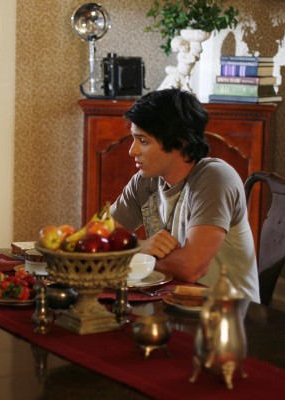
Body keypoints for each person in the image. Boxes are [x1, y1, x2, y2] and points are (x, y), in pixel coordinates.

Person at [110, 88, 259, 302]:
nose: (132, 150)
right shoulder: (144, 181)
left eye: (143, 141)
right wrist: (141, 246)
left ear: (179, 143)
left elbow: (191, 269)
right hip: (172, 306)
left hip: (230, 314)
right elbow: (96, 239)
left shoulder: (215, 177)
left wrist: (127, 254)